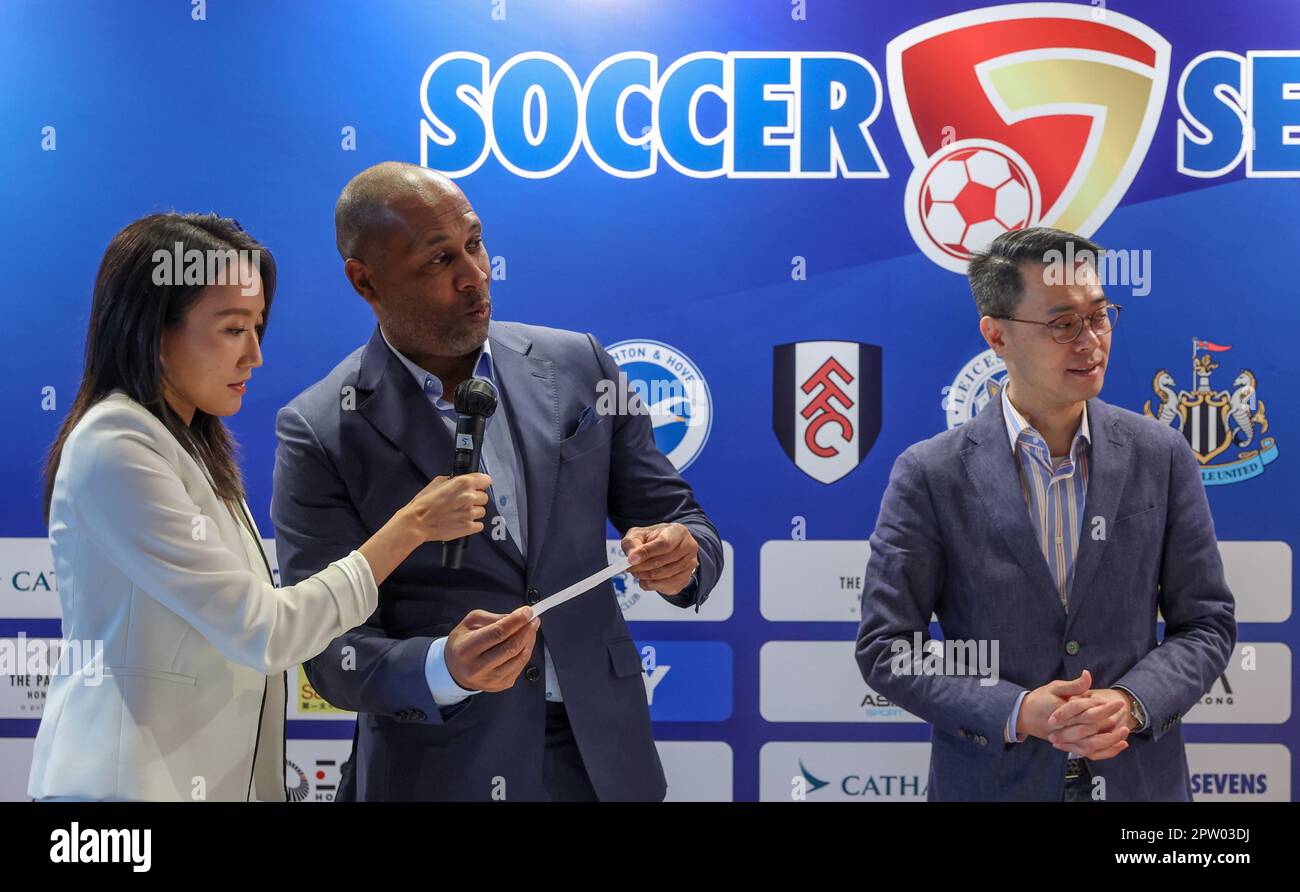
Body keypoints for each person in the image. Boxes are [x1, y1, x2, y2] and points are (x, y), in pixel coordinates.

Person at [272, 161, 724, 801]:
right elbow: (326, 648)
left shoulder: (579, 365)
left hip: (602, 762)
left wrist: (684, 558)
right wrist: (443, 667)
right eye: (437, 262)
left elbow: (688, 524)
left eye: (475, 243)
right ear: (365, 281)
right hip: (439, 770)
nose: (475, 276)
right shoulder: (320, 429)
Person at [29, 212, 491, 801]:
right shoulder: (117, 446)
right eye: (231, 329)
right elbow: (264, 632)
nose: (254, 357)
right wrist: (410, 528)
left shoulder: (185, 446)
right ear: (153, 329)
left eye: (258, 328)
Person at [855, 226, 1236, 801]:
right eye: (1062, 324)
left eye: (1099, 315)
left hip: (1139, 788)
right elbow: (888, 647)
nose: (1090, 341)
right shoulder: (930, 473)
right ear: (996, 335)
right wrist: (1016, 709)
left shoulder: (1162, 455)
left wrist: (1131, 703)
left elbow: (1207, 622)